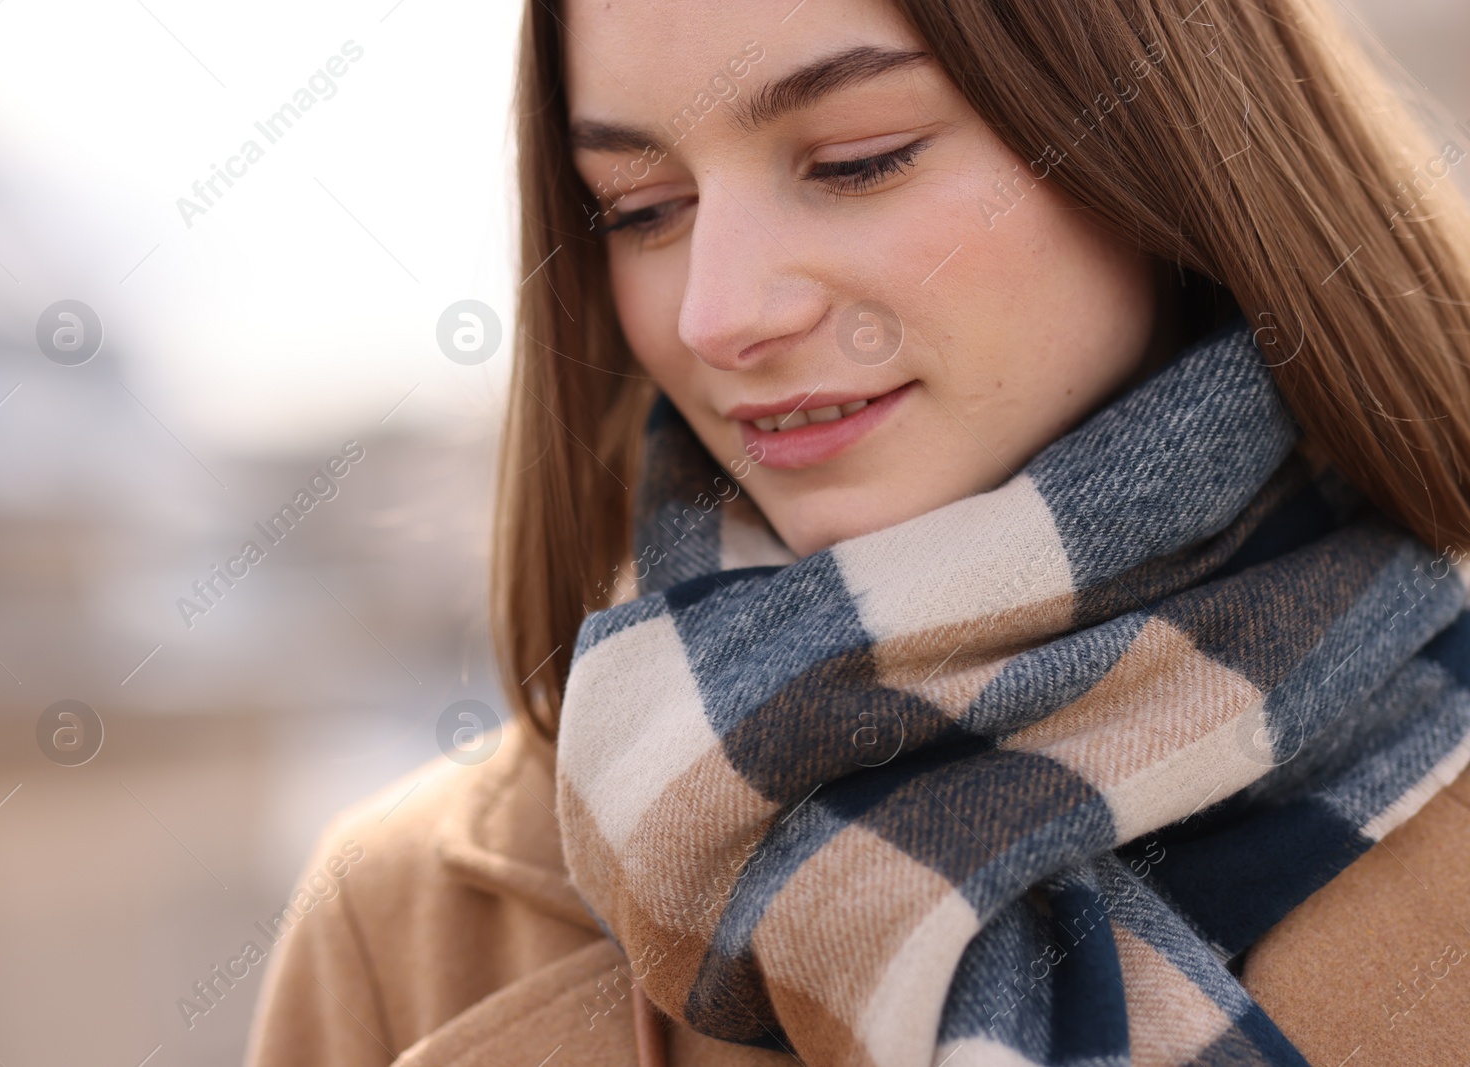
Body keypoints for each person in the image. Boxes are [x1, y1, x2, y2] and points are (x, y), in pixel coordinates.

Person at [245, 0, 1470, 1063]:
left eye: (855, 161)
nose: (718, 312)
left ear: (1165, 132)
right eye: (641, 207)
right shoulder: (401, 923)